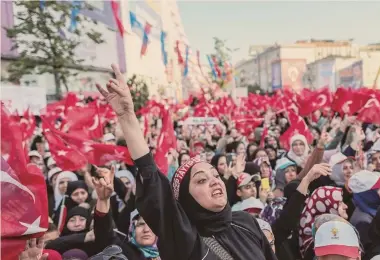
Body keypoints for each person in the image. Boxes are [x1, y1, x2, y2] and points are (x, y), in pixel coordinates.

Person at [95, 64, 277, 259]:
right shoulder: (184, 239)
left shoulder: (246, 222)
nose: (215, 181)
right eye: (201, 180)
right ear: (185, 197)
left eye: (215, 175)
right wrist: (127, 117)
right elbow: (152, 178)